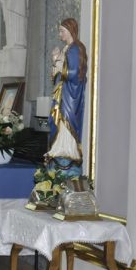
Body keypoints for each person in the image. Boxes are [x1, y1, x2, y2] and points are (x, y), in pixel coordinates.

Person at [46, 17, 87, 178]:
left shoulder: (76, 49)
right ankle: (58, 151)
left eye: (62, 31)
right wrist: (56, 62)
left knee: (66, 124)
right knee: (57, 123)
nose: (60, 34)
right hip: (61, 95)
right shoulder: (67, 49)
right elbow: (56, 75)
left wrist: (57, 64)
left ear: (70, 30)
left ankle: (66, 152)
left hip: (69, 97)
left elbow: (75, 74)